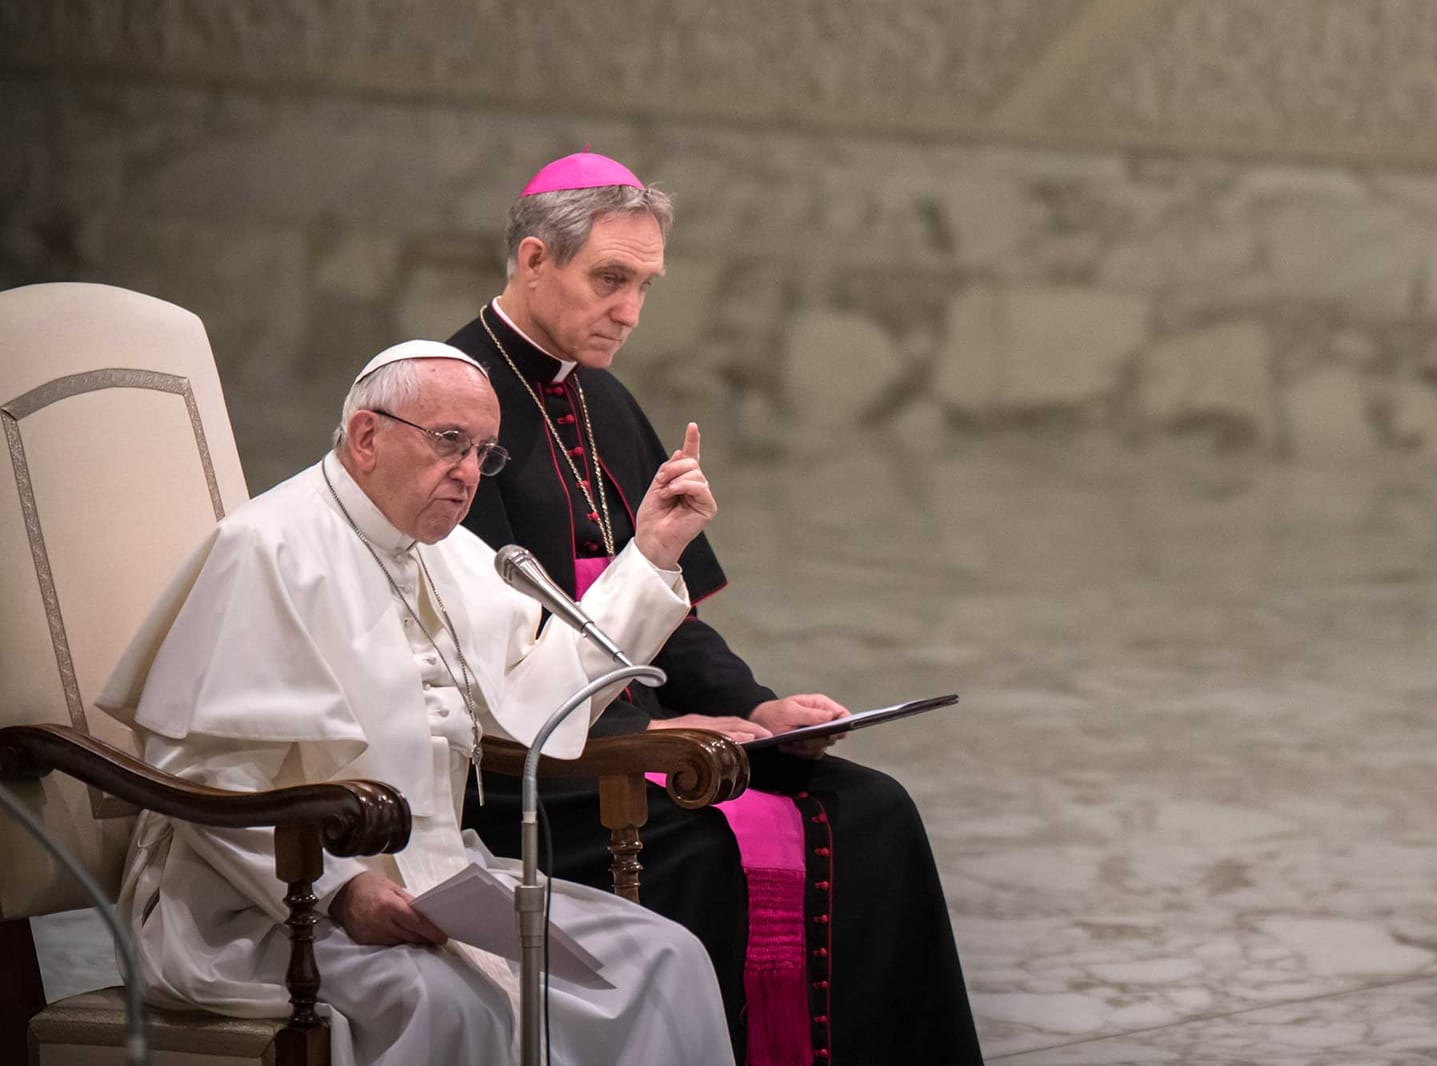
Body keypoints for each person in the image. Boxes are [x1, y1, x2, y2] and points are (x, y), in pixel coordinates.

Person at [450, 151, 982, 1064]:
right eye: (610, 280)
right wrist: (649, 732)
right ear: (534, 260)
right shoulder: (452, 402)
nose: (630, 311)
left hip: (648, 735)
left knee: (876, 811)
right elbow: (475, 645)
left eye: (645, 286)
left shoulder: (605, 400)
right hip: (537, 766)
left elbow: (676, 618)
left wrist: (758, 710)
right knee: (710, 849)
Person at [98, 340, 734, 1066]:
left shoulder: (453, 554)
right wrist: (342, 890)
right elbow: (205, 778)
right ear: (366, 436)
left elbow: (543, 703)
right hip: (268, 907)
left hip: (438, 884)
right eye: (449, 442)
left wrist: (651, 553)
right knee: (455, 1006)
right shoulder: (267, 548)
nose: (468, 473)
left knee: (666, 958)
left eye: (483, 453)